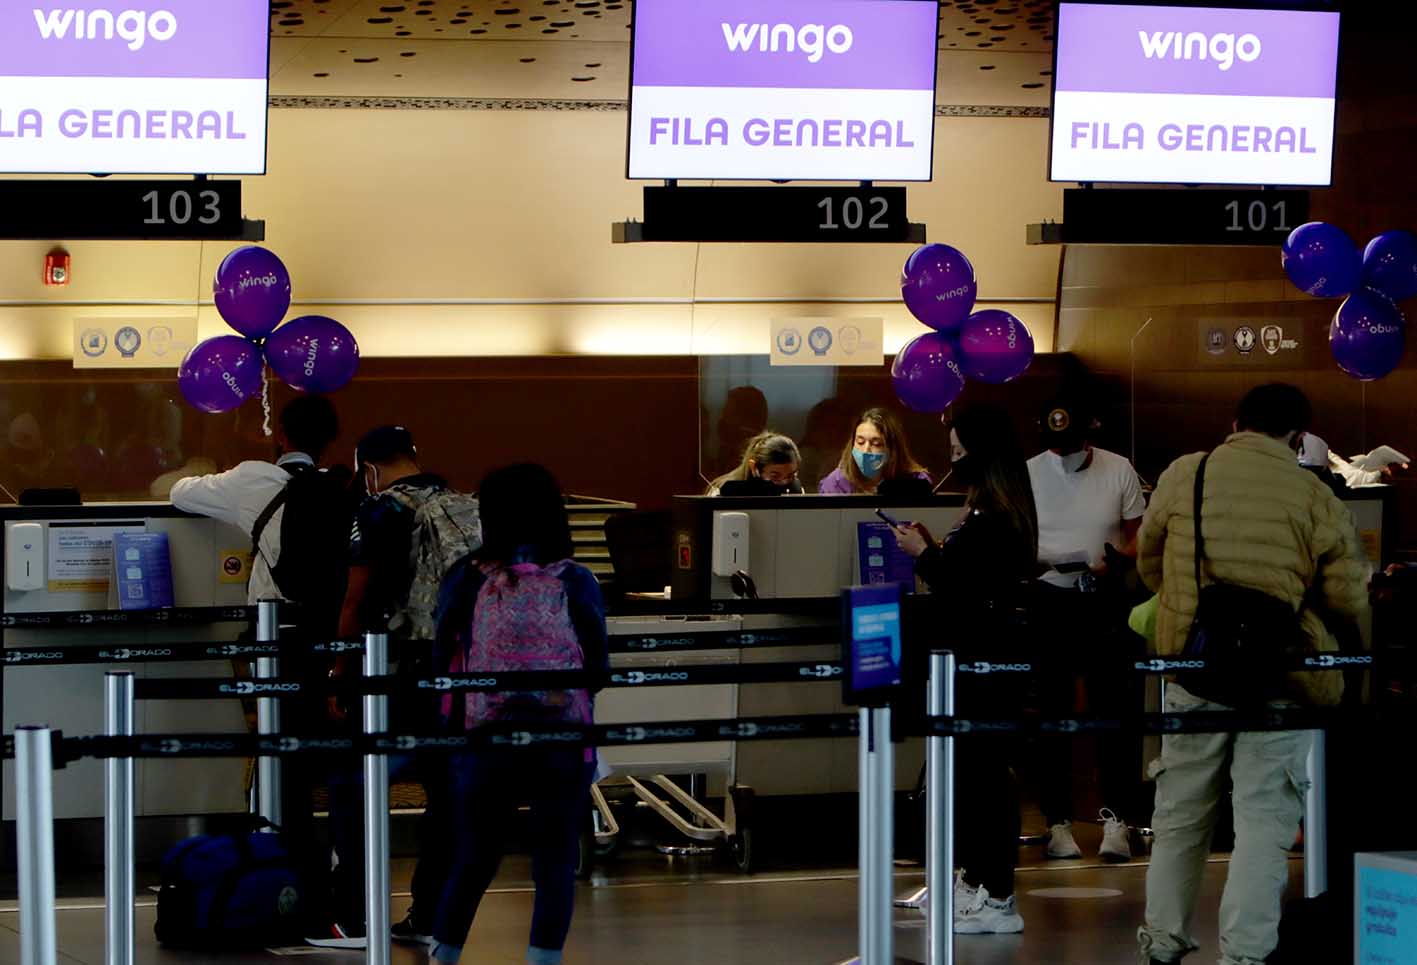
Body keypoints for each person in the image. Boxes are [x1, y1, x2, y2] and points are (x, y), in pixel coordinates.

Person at [1135, 384, 1369, 965]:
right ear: (1298, 438)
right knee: (1264, 825)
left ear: (1234, 422)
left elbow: (1148, 560)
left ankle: (1161, 946)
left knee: (1182, 817)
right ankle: (1244, 956)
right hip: (1279, 676)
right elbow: (1346, 596)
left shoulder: (1186, 473)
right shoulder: (1314, 495)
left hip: (1194, 670)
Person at [170, 396, 351, 938]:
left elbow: (181, 494)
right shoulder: (345, 486)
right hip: (341, 640)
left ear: (279, 438)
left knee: (283, 753)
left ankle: (290, 863)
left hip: (282, 637)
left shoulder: (253, 480)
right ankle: (343, 871)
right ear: (331, 439)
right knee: (338, 753)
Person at [430, 463, 607, 965]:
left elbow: (442, 656)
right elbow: (598, 666)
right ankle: (542, 958)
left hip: (485, 738)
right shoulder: (576, 578)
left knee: (474, 855)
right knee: (554, 859)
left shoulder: (466, 577)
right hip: (563, 741)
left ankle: (445, 953)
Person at [316, 425, 461, 949]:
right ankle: (429, 916)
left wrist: (339, 670)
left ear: (368, 469)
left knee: (354, 783)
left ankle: (353, 917)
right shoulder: (458, 506)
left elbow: (355, 601)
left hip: (394, 669)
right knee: (444, 792)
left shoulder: (378, 510)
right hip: (457, 671)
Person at [894, 405, 1038, 935]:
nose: (953, 462)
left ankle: (994, 892)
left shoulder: (995, 515)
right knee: (974, 779)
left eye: (958, 452)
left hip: (983, 663)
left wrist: (924, 556)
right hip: (980, 659)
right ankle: (978, 881)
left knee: (983, 780)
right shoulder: (1000, 509)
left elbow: (972, 583)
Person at [1026, 392, 1148, 862]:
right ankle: (1057, 822)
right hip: (1048, 596)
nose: (1065, 454)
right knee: (1053, 714)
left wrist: (1113, 562)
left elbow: (1141, 536)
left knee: (1116, 711)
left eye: (1072, 444)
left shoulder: (1119, 469)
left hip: (1105, 598)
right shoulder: (1030, 470)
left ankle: (1117, 819)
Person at [818, 407, 931, 495]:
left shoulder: (917, 482)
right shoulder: (836, 483)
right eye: (860, 442)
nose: (866, 450)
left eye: (876, 444)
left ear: (893, 449)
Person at [705, 431, 804, 495]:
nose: (784, 483)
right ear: (754, 468)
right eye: (775, 476)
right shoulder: (721, 492)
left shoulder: (795, 489)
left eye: (790, 476)